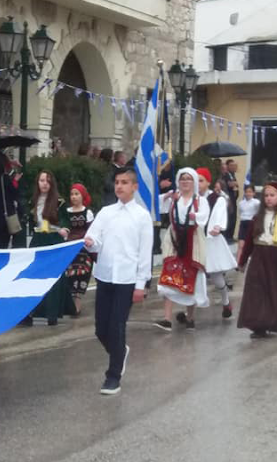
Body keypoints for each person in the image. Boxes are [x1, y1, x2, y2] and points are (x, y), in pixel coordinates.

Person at [84, 167, 152, 395]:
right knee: (101, 329)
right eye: (117, 182)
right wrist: (90, 242)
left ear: (134, 187)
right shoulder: (105, 212)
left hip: (127, 279)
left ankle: (113, 376)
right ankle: (120, 351)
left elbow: (144, 253)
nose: (119, 186)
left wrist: (141, 285)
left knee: (117, 325)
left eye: (124, 182)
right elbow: (96, 239)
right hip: (105, 276)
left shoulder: (142, 216)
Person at [156, 168, 210, 331]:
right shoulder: (174, 198)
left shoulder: (200, 201)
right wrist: (165, 196)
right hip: (174, 238)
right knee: (168, 273)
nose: (185, 181)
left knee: (191, 274)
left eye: (188, 179)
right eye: (182, 179)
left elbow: (204, 217)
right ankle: (167, 318)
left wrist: (196, 217)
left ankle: (190, 317)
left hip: (193, 239)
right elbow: (157, 206)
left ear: (193, 182)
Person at [19, 170, 73, 326]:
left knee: (53, 278)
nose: (44, 183)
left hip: (53, 242)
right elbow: (30, 222)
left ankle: (52, 313)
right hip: (38, 241)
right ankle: (29, 313)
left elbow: (65, 221)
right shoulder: (33, 201)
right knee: (32, 276)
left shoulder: (59, 202)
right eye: (41, 180)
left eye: (47, 181)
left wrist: (63, 229)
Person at [237, 181, 277, 338]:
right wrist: (242, 261)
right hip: (259, 256)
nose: (268, 198)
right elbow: (248, 242)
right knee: (257, 290)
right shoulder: (256, 218)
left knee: (276, 289)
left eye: (272, 195)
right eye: (266, 195)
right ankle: (258, 325)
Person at [197, 169, 236, 319]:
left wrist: (218, 226)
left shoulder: (216, 199)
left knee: (216, 275)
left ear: (208, 182)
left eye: (201, 180)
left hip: (211, 240)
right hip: (195, 240)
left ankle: (226, 301)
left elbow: (220, 215)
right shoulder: (191, 198)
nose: (198, 184)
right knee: (193, 274)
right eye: (197, 180)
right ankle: (190, 311)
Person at [65, 183, 95, 317]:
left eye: (77, 194)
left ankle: (77, 306)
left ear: (82, 196)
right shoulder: (66, 212)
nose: (74, 197)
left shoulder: (87, 212)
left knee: (82, 275)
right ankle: (71, 305)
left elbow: (92, 230)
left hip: (83, 248)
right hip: (70, 248)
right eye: (72, 194)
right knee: (70, 276)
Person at [237, 184, 260, 254]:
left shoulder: (257, 202)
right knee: (241, 245)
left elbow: (259, 213)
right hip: (243, 224)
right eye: (246, 192)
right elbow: (240, 213)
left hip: (251, 223)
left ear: (254, 193)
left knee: (251, 244)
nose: (248, 193)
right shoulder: (241, 203)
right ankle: (238, 263)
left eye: (250, 192)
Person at [223, 159, 239, 241]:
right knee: (229, 218)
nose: (234, 167)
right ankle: (227, 237)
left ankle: (231, 236)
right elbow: (228, 184)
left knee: (233, 218)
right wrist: (234, 184)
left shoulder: (233, 175)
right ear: (228, 166)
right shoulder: (226, 175)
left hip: (234, 199)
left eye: (235, 165)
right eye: (232, 165)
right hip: (229, 200)